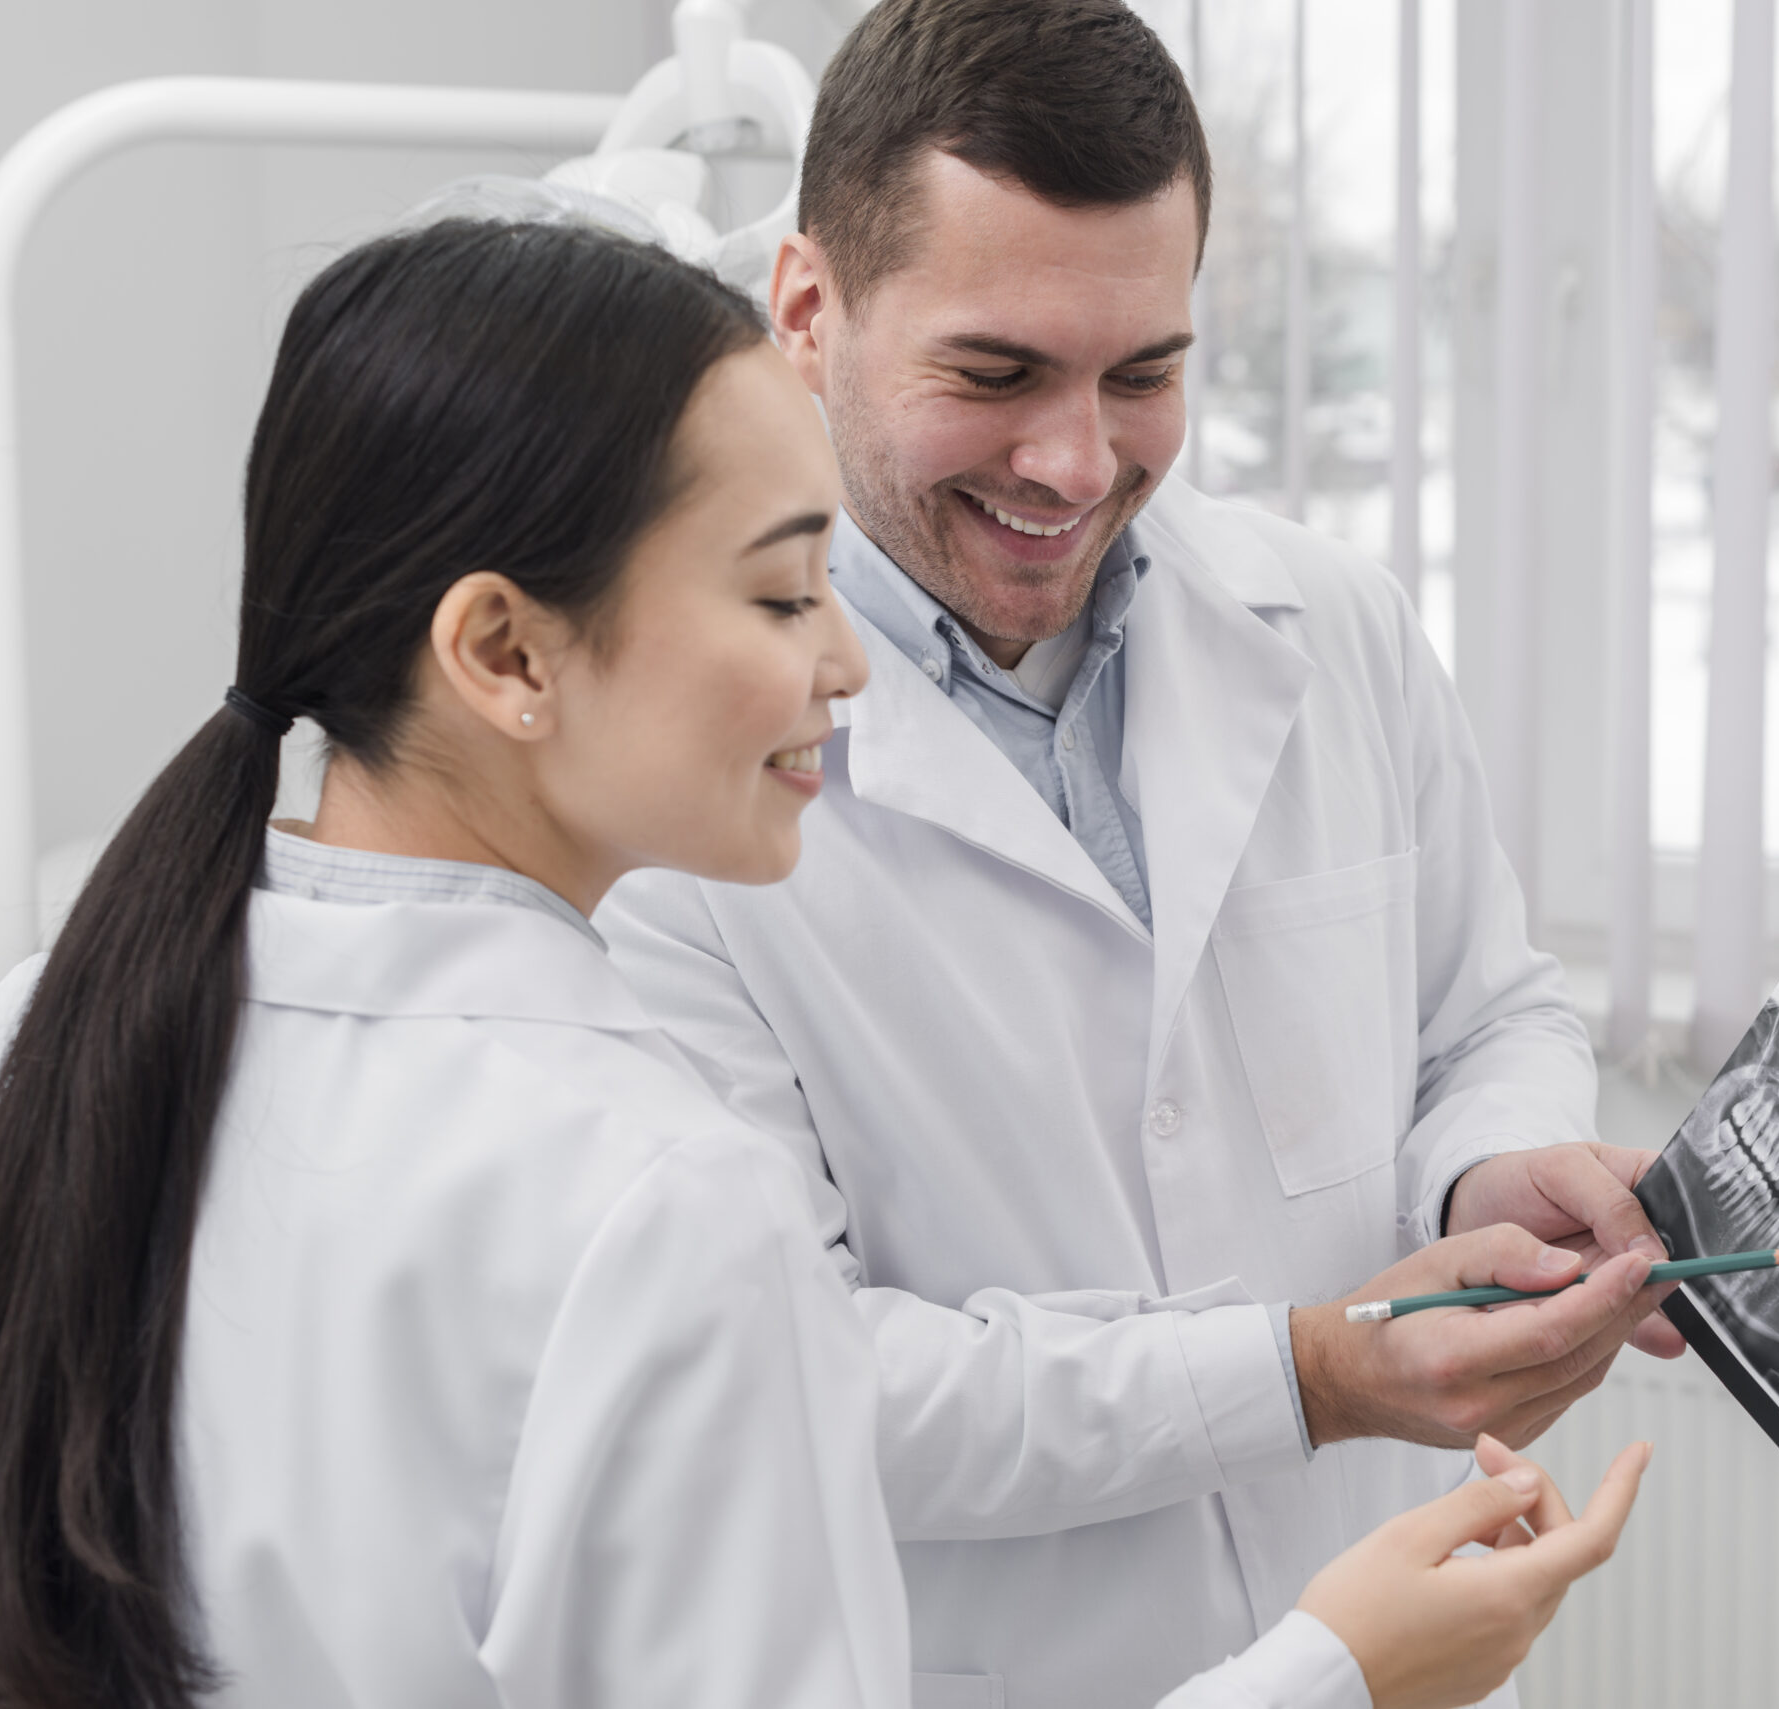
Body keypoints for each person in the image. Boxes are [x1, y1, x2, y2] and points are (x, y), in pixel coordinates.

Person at [0, 216, 1645, 1709]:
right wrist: (1340, 1671)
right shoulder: (663, 1201)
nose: (848, 668)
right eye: (782, 594)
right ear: (507, 656)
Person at [595, 4, 1689, 1704]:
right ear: (809, 311)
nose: (1076, 460)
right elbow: (794, 1379)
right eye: (996, 372)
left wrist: (1490, 1169)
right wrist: (1310, 1375)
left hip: (1404, 1630)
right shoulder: (660, 786)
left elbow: (1487, 1014)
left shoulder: (1329, 627)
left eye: (1144, 374)